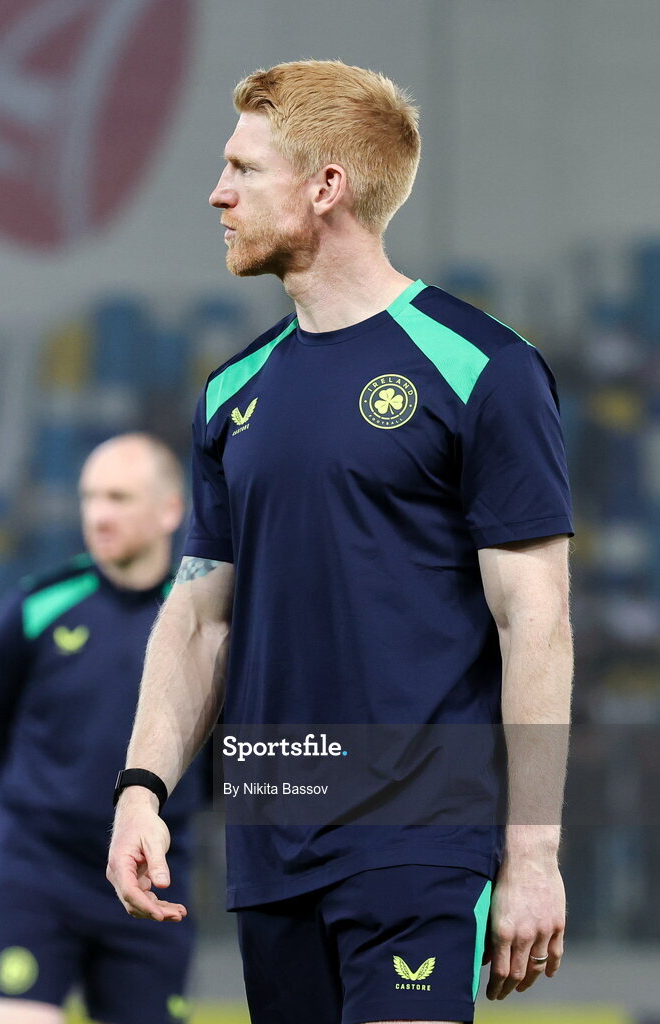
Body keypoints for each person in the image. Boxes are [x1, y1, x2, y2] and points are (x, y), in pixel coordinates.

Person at [107, 60, 573, 1024]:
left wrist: (532, 854)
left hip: (421, 835)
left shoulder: (483, 368)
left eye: (243, 168)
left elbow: (536, 618)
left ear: (326, 188)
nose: (217, 192)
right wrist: (141, 787)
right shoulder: (230, 394)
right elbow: (196, 618)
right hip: (272, 834)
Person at [0, 433, 205, 1024]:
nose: (99, 514)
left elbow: (226, 750)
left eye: (118, 497)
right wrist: (49, 803)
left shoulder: (204, 621)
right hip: (36, 872)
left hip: (155, 878)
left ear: (170, 509)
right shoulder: (36, 607)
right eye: (90, 497)